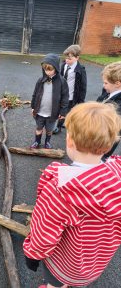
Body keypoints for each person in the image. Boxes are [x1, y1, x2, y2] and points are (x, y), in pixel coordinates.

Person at [23, 101, 121, 288]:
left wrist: (32, 254)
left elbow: (44, 231)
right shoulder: (117, 176)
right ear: (109, 146)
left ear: (69, 141)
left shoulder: (62, 190)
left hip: (63, 265)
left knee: (55, 284)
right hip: (94, 264)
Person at [30, 53, 69, 149]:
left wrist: (62, 112)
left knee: (49, 129)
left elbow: (65, 98)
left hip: (52, 113)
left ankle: (47, 142)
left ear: (56, 68)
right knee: (39, 128)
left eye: (50, 69)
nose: (47, 72)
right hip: (40, 111)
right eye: (45, 69)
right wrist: (33, 107)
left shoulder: (62, 82)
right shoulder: (41, 80)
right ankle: (37, 142)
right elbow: (35, 94)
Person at [53, 44, 87, 134]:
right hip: (61, 93)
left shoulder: (80, 70)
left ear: (77, 58)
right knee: (60, 110)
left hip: (71, 96)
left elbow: (83, 86)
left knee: (64, 111)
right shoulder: (64, 65)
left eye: (70, 59)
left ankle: (59, 127)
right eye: (66, 58)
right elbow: (59, 77)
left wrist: (81, 100)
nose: (67, 60)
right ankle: (65, 121)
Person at [97, 61, 121, 161]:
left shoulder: (118, 104)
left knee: (97, 162)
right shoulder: (108, 91)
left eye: (106, 83)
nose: (103, 85)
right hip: (97, 133)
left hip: (105, 143)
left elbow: (114, 130)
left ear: (117, 84)